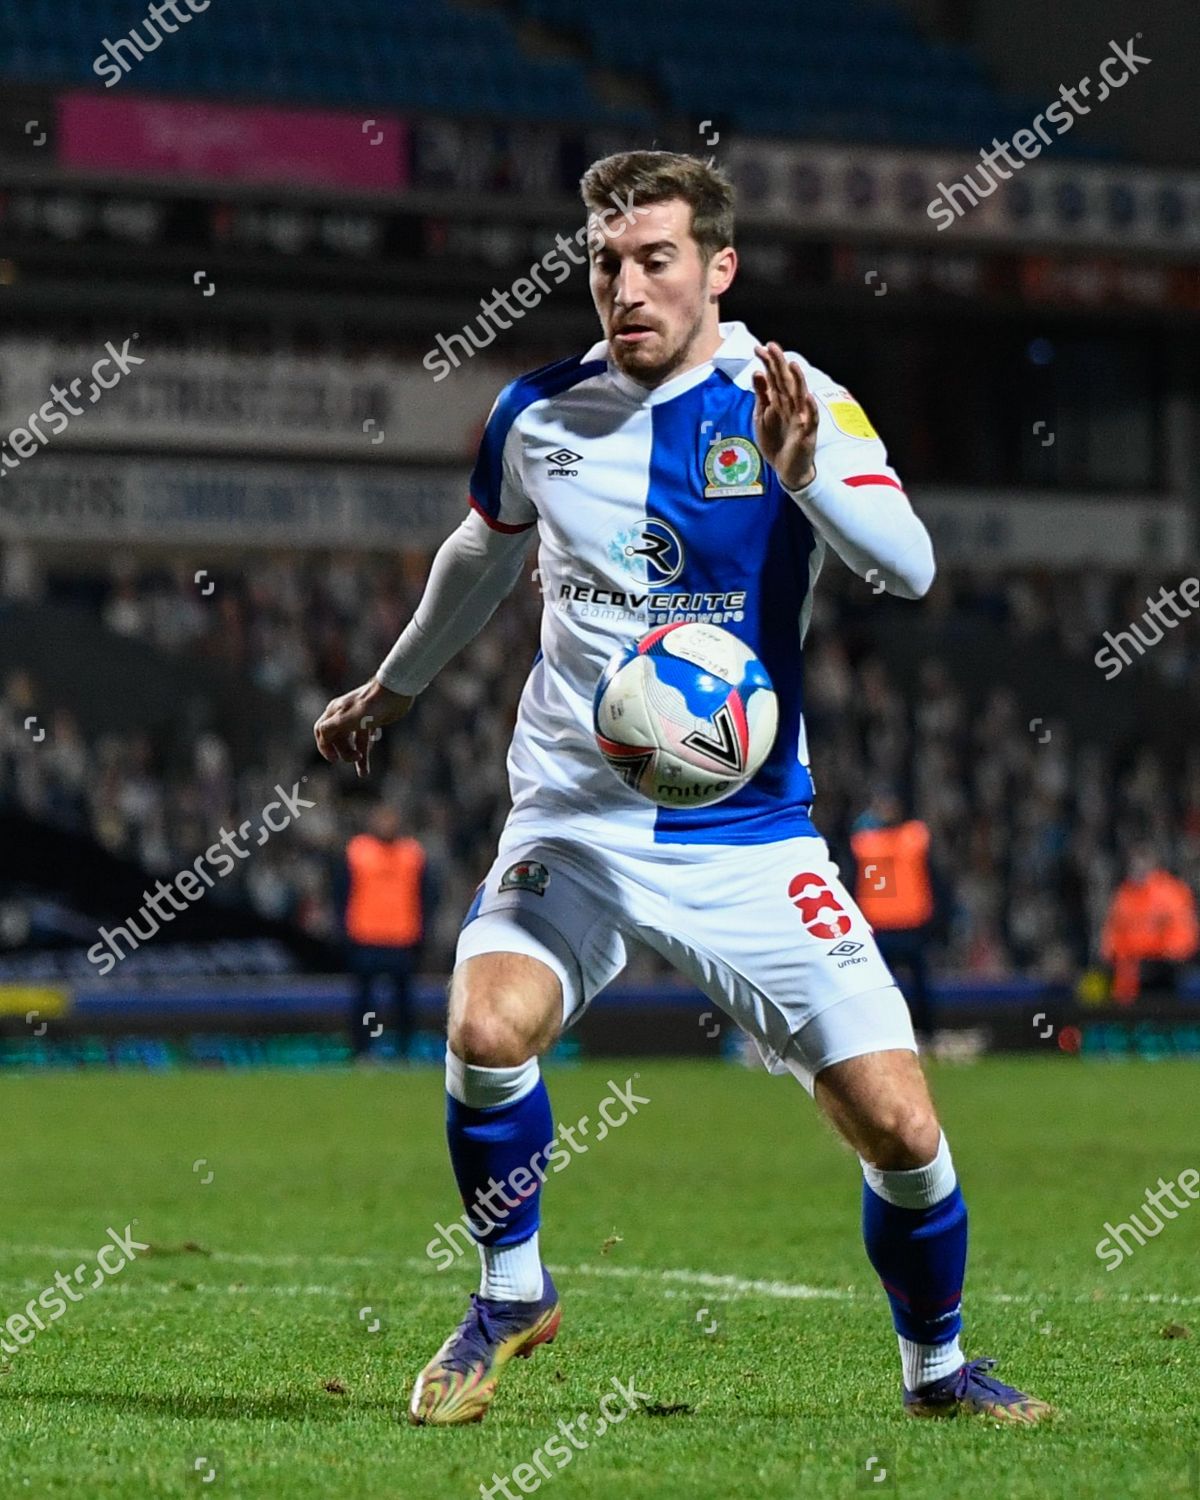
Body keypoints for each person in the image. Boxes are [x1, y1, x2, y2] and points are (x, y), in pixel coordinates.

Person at [314, 150, 1050, 1428]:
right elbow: (478, 557)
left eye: (656, 258)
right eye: (605, 261)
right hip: (575, 818)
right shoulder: (537, 414)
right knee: (487, 1029)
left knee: (901, 1129)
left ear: (719, 266)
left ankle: (937, 1372)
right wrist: (394, 687)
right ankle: (509, 1293)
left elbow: (913, 569)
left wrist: (805, 473)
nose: (626, 286)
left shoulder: (794, 397)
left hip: (747, 834)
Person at [339, 803, 432, 1060]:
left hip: (402, 937)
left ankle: (403, 1049)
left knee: (403, 1002)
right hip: (366, 936)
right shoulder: (358, 851)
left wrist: (423, 931)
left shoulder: (412, 854)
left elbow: (426, 896)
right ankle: (365, 1048)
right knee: (365, 1001)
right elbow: (341, 892)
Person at [851, 792, 937, 1042]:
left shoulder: (870, 841)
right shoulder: (910, 838)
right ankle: (895, 1033)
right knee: (884, 987)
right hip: (885, 928)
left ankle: (922, 1033)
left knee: (913, 988)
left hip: (905, 926)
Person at [1101, 844, 1198, 1003]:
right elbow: (1112, 935)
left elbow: (1184, 936)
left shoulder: (1172, 892)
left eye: (1142, 861)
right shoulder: (1123, 895)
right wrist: (1121, 956)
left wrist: (1158, 955)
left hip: (1164, 968)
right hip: (1129, 969)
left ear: (1153, 863)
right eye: (1133, 863)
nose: (1137, 867)